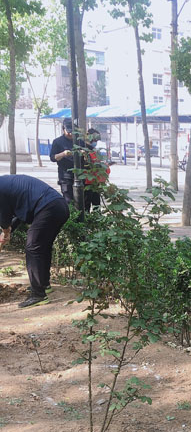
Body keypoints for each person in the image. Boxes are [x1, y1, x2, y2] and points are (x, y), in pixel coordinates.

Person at [0, 174, 69, 308]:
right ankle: (43, 284)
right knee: (42, 247)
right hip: (58, 206)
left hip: (49, 207)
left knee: (33, 247)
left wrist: (6, 232)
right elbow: (18, 215)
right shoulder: (5, 185)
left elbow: (4, 218)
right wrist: (6, 233)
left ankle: (38, 294)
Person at [83, 128, 110, 211]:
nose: (96, 142)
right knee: (86, 204)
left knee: (96, 204)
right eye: (95, 139)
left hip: (95, 182)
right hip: (87, 182)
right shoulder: (84, 150)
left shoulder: (94, 151)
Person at [50, 118, 76, 204]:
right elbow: (52, 158)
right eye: (68, 131)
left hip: (78, 176)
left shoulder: (79, 141)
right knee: (68, 201)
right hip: (65, 177)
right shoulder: (57, 142)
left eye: (72, 131)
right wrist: (63, 154)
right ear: (63, 129)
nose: (70, 134)